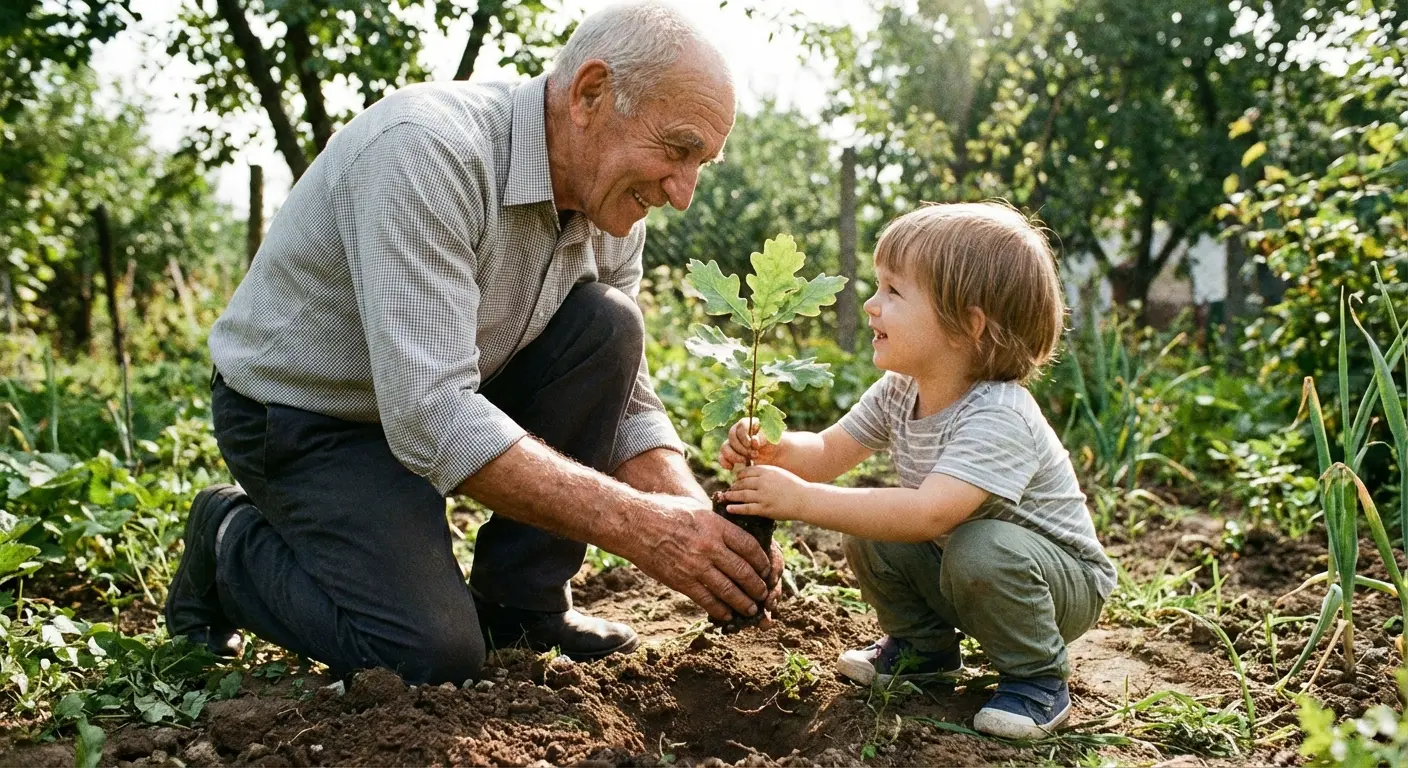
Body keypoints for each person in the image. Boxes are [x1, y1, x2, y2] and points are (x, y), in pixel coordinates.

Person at [163, 0, 781, 686]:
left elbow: (622, 391)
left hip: (450, 389)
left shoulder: (613, 205)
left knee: (608, 326)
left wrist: (695, 520)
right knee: (428, 654)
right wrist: (643, 529)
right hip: (310, 419)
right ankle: (226, 543)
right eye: (678, 149)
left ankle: (523, 605)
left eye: (703, 162)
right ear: (591, 94)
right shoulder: (425, 152)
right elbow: (431, 415)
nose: (683, 192)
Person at [718, 202, 1117, 739]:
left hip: (1056, 586)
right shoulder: (901, 389)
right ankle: (925, 651)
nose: (871, 305)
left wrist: (801, 500)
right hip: (966, 565)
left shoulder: (999, 415)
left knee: (976, 543)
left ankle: (1038, 677)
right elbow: (828, 450)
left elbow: (929, 515)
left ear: (966, 327)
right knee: (871, 532)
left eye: (893, 292)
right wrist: (772, 448)